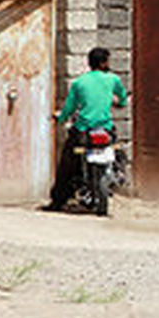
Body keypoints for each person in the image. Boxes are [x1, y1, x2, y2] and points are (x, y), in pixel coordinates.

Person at [45, 47, 128, 212]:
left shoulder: (79, 83)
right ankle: (117, 173)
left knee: (67, 165)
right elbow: (123, 99)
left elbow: (69, 108)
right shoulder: (113, 79)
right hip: (106, 129)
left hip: (83, 130)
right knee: (119, 151)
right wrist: (118, 103)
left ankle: (57, 202)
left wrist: (60, 119)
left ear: (89, 63)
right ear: (104, 63)